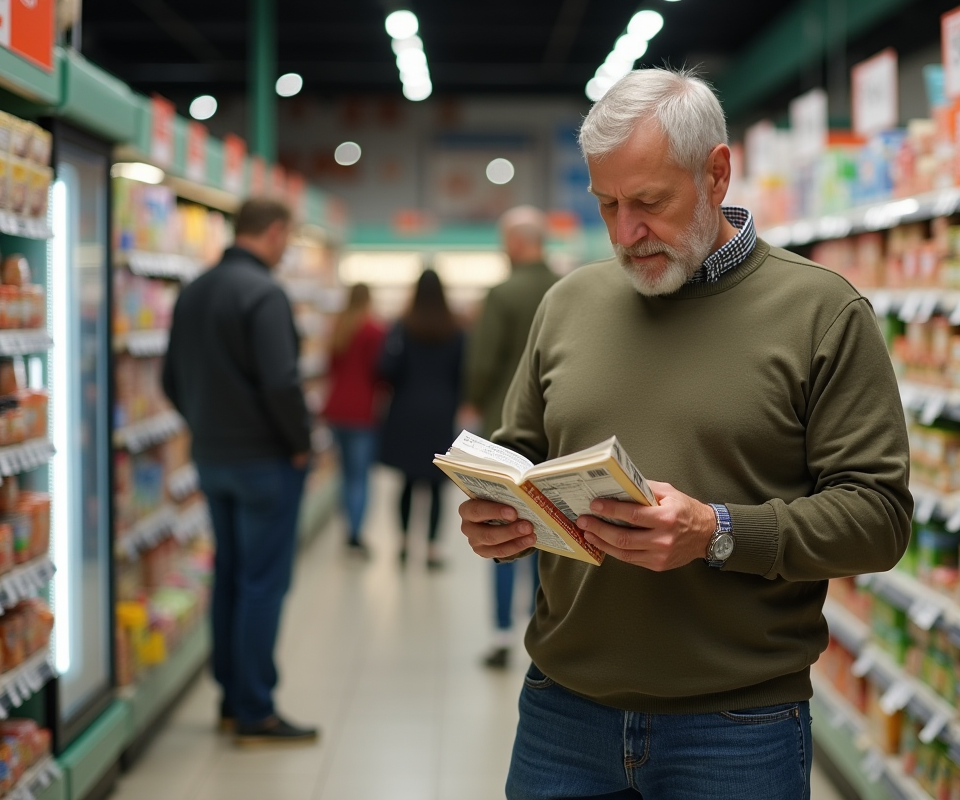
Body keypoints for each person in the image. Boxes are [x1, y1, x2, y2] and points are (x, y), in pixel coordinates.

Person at [456, 68, 912, 800]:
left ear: (717, 173)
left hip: (738, 726)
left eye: (649, 202)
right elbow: (521, 452)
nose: (625, 232)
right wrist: (495, 514)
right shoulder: (567, 302)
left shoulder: (821, 312)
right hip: (562, 710)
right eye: (607, 204)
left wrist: (716, 532)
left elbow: (878, 520)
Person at [162, 197, 317, 746]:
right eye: (287, 238)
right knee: (262, 583)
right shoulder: (264, 293)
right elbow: (281, 381)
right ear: (274, 232)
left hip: (212, 458)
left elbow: (170, 377)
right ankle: (255, 709)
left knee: (228, 574)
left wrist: (204, 427)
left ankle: (230, 698)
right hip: (264, 463)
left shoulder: (195, 289)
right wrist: (299, 443)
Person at [465, 207, 558, 670]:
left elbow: (483, 361)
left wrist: (472, 400)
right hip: (557, 428)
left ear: (518, 242)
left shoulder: (502, 294)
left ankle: (502, 633)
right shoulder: (566, 288)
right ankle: (545, 624)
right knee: (553, 531)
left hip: (505, 429)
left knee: (503, 526)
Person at [379, 269, 465, 569]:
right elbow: (462, 373)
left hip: (406, 410)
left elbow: (387, 368)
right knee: (437, 484)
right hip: (441, 413)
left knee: (407, 481)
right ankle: (431, 549)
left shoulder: (403, 326)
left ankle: (404, 543)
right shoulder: (455, 329)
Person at [322, 283, 386, 555]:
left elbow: (330, 368)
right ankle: (355, 535)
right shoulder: (374, 330)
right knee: (360, 476)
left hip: (336, 408)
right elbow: (381, 371)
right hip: (363, 411)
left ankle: (346, 526)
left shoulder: (339, 326)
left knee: (345, 473)